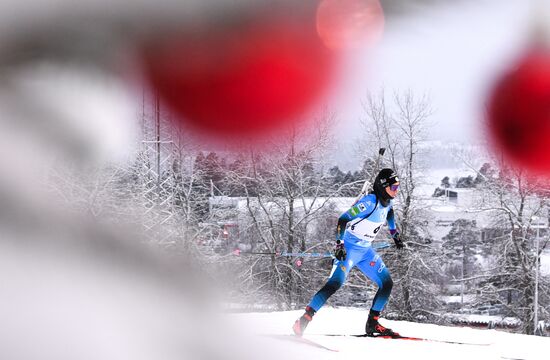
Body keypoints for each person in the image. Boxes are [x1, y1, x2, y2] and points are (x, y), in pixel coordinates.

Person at [292, 168, 405, 337]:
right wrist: (340, 245)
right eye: (393, 187)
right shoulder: (369, 202)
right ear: (383, 186)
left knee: (387, 284)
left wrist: (395, 235)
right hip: (349, 250)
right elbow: (343, 219)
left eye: (398, 187)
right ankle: (303, 320)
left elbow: (389, 215)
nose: (396, 191)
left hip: (366, 251)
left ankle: (372, 323)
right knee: (335, 283)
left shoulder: (388, 202)